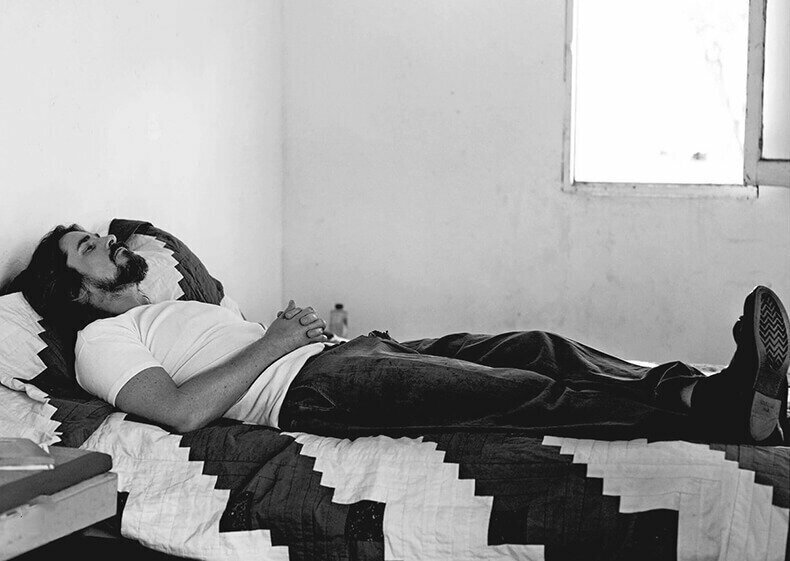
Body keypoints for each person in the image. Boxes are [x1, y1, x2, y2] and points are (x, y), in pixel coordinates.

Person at [17, 224, 790, 445]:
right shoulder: (99, 343)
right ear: (75, 288)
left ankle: (704, 389)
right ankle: (718, 413)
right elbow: (184, 412)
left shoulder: (176, 308)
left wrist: (302, 333)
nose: (110, 243)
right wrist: (278, 342)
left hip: (340, 356)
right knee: (525, 394)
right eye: (89, 247)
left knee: (539, 347)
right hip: (311, 388)